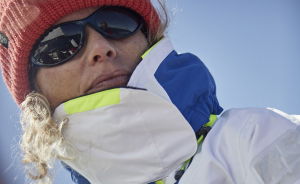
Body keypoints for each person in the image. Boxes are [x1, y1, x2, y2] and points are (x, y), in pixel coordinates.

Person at [0, 0, 299, 184]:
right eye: (60, 44)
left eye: (114, 23)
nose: (100, 48)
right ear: (34, 96)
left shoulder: (256, 138)